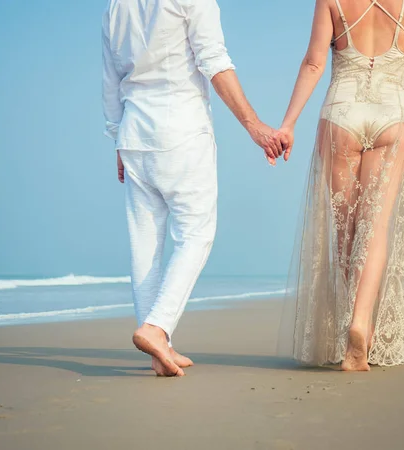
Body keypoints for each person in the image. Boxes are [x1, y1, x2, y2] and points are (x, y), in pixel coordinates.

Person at [102, 0, 284, 377]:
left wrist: (116, 138)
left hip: (134, 134)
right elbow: (213, 60)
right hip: (180, 132)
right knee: (196, 234)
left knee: (145, 245)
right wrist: (254, 126)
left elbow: (111, 80)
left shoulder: (115, 6)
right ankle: (156, 328)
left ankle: (159, 350)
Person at [277, 0, 404, 371]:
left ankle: (354, 321)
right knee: (375, 227)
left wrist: (288, 123)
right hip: (390, 115)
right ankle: (360, 323)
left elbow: (314, 62)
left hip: (341, 114)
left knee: (347, 230)